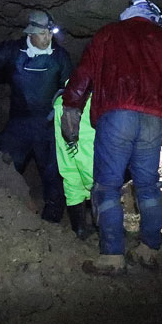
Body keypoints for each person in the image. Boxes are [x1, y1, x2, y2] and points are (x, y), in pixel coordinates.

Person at [61, 0, 162, 275]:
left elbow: (84, 74)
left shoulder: (108, 34)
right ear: (154, 18)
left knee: (107, 185)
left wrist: (71, 106)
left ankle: (112, 256)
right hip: (152, 119)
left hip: (116, 115)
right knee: (147, 186)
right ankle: (149, 249)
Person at [0, 10, 73, 223]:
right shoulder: (13, 52)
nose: (48, 38)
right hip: (19, 126)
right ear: (31, 33)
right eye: (43, 34)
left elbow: (71, 88)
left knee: (53, 173)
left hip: (48, 127)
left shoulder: (60, 57)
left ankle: (52, 221)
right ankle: (2, 214)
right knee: (4, 165)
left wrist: (65, 110)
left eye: (50, 33)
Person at [53, 87, 95, 240]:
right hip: (86, 104)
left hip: (63, 102)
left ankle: (79, 229)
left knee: (70, 168)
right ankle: (105, 228)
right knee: (92, 169)